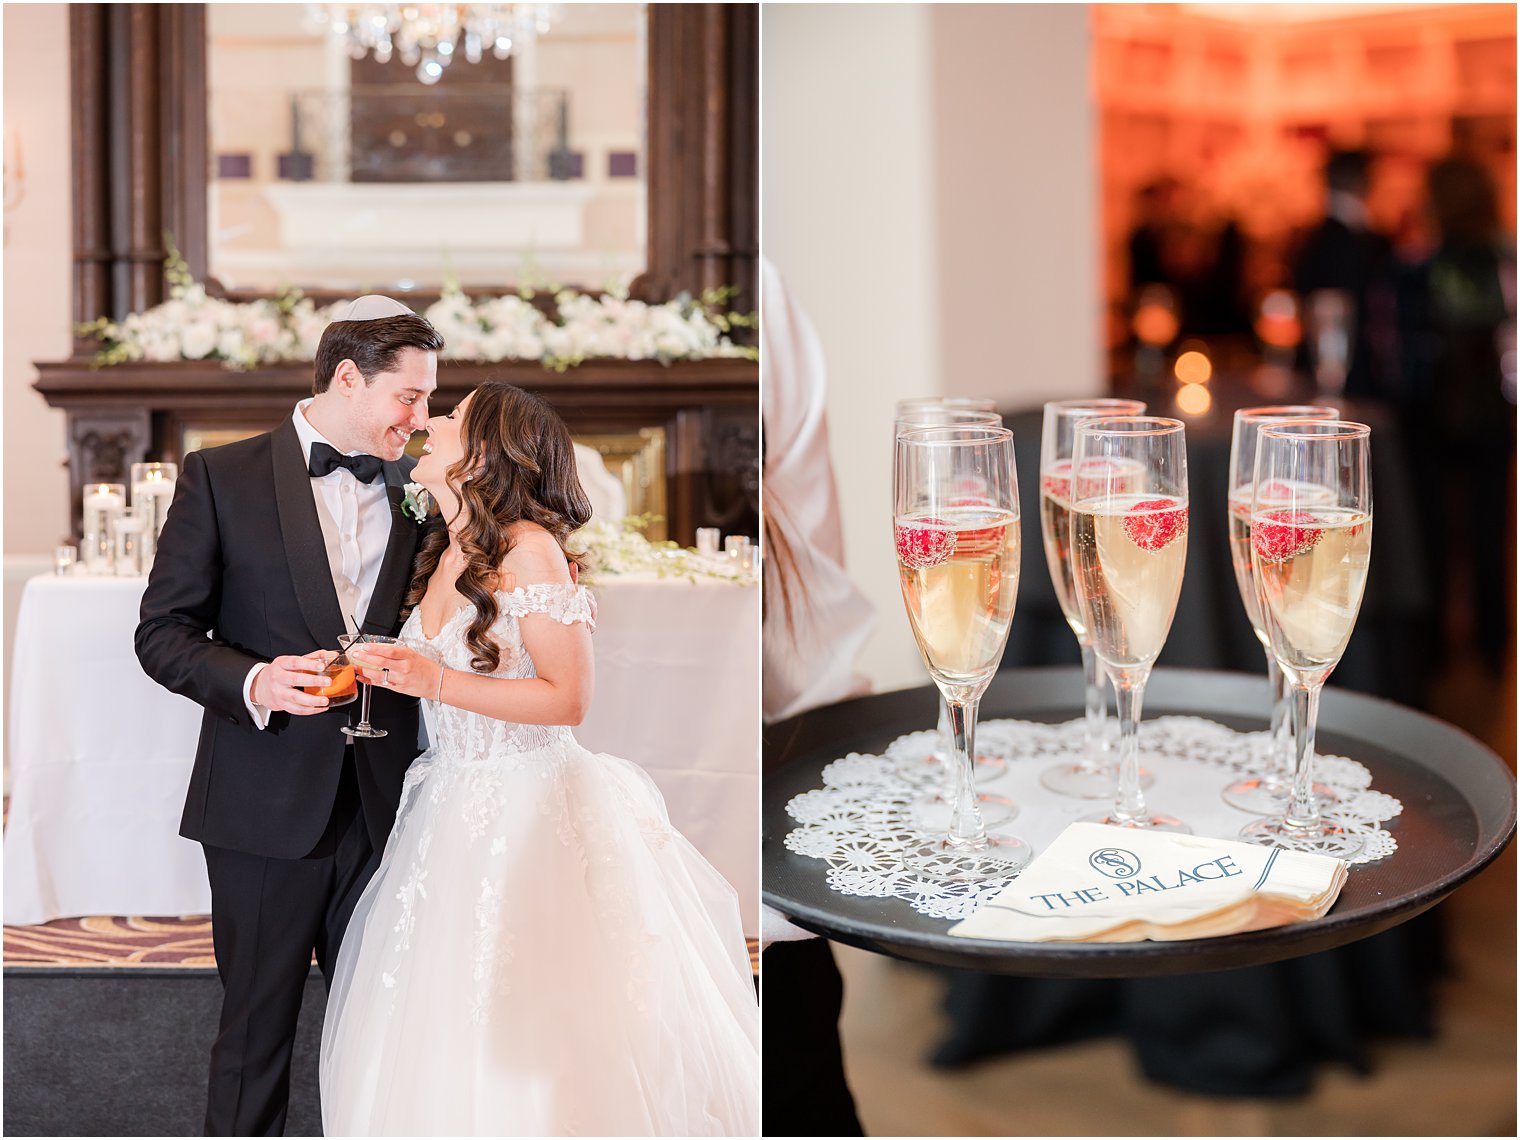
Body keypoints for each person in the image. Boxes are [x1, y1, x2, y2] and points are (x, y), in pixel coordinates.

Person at [317, 381, 760, 1135]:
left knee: (540, 1019)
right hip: (448, 807)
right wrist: (396, 665)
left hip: (530, 806)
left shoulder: (531, 549)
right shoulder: (443, 546)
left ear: (484, 450)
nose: (430, 423)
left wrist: (439, 679)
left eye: (450, 418)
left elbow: (568, 699)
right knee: (443, 1014)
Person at [135, 295, 443, 1135]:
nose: (421, 419)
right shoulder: (221, 476)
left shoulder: (424, 490)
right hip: (263, 804)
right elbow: (161, 635)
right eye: (409, 397)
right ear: (348, 377)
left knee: (380, 1034)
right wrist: (256, 683)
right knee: (255, 1038)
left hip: (391, 803)